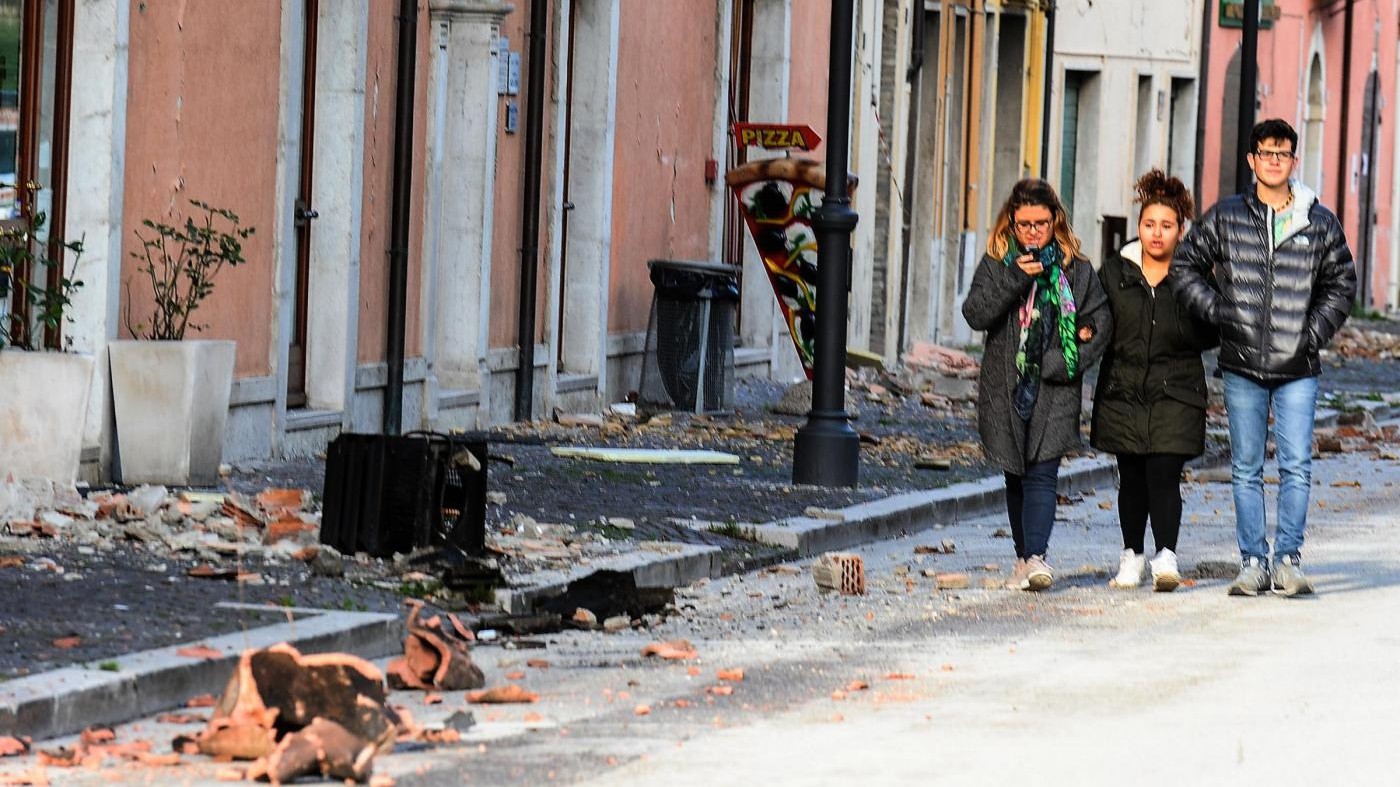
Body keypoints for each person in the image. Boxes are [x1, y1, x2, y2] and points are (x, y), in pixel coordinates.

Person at [1170, 119, 1356, 597]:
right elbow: (1186, 264)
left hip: (1299, 367)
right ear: (1251, 161)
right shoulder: (1227, 216)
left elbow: (1341, 284)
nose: (1275, 160)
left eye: (1284, 153)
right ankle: (1253, 561)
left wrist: (1311, 333)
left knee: (1296, 465)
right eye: (1266, 153)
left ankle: (1288, 559)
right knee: (1246, 466)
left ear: (1295, 161)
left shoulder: (1318, 220)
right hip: (1241, 362)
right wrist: (1221, 314)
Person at [963, 178, 1113, 591]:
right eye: (1024, 223)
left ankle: (1036, 557)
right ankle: (1023, 558)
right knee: (1015, 472)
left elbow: (1099, 325)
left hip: (1055, 387)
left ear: (1055, 221)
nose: (1032, 232)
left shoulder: (1076, 269)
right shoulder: (997, 262)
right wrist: (1014, 278)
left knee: (1043, 473)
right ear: (1011, 222)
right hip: (1005, 385)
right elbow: (975, 314)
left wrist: (1060, 362)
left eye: (1041, 223)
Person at [1091, 170, 1218, 592]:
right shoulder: (1114, 272)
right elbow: (1094, 321)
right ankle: (1132, 555)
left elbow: (1213, 328)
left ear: (1180, 230)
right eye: (1149, 225)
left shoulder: (1193, 275)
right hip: (1123, 389)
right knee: (1131, 476)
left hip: (1177, 390)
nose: (1157, 234)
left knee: (1164, 473)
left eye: (1166, 226)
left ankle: (1166, 554)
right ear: (1139, 228)